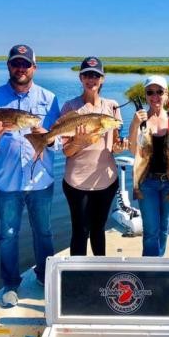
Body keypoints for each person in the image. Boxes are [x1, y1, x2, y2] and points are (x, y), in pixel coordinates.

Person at [0, 44, 60, 307]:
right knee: (8, 234)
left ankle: (46, 278)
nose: (20, 68)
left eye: (25, 64)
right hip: (6, 181)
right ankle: (10, 283)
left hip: (40, 181)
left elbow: (58, 141)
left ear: (35, 67)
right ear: (8, 66)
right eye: (16, 63)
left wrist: (45, 135)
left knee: (44, 232)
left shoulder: (50, 98)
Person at [61, 56, 128, 256]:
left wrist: (120, 147)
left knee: (99, 229)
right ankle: (76, 277)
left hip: (106, 181)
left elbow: (115, 144)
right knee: (80, 231)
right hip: (76, 182)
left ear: (103, 79)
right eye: (87, 75)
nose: (92, 80)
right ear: (80, 78)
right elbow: (66, 151)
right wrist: (79, 142)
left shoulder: (112, 106)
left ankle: (100, 272)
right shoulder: (70, 107)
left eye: (96, 76)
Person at [129, 75, 169, 256]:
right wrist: (134, 124)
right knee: (151, 230)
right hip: (146, 183)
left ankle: (159, 264)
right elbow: (133, 150)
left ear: (166, 94)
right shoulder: (142, 120)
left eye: (159, 92)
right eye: (150, 92)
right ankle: (149, 269)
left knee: (164, 229)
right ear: (145, 95)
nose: (155, 96)